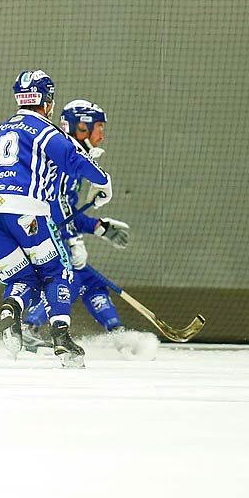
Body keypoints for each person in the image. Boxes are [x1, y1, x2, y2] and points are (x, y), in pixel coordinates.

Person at [0, 70, 111, 368]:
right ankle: (61, 338)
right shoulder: (45, 130)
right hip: (23, 208)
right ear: (47, 100)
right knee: (58, 272)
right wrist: (103, 181)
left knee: (21, 277)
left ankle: (12, 310)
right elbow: (74, 160)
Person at [20, 100, 150, 358]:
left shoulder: (71, 154)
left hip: (45, 229)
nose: (102, 134)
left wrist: (99, 227)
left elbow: (68, 210)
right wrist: (74, 240)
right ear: (82, 127)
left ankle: (117, 332)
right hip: (38, 231)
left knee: (90, 282)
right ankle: (29, 326)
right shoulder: (67, 156)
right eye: (98, 126)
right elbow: (55, 205)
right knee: (73, 276)